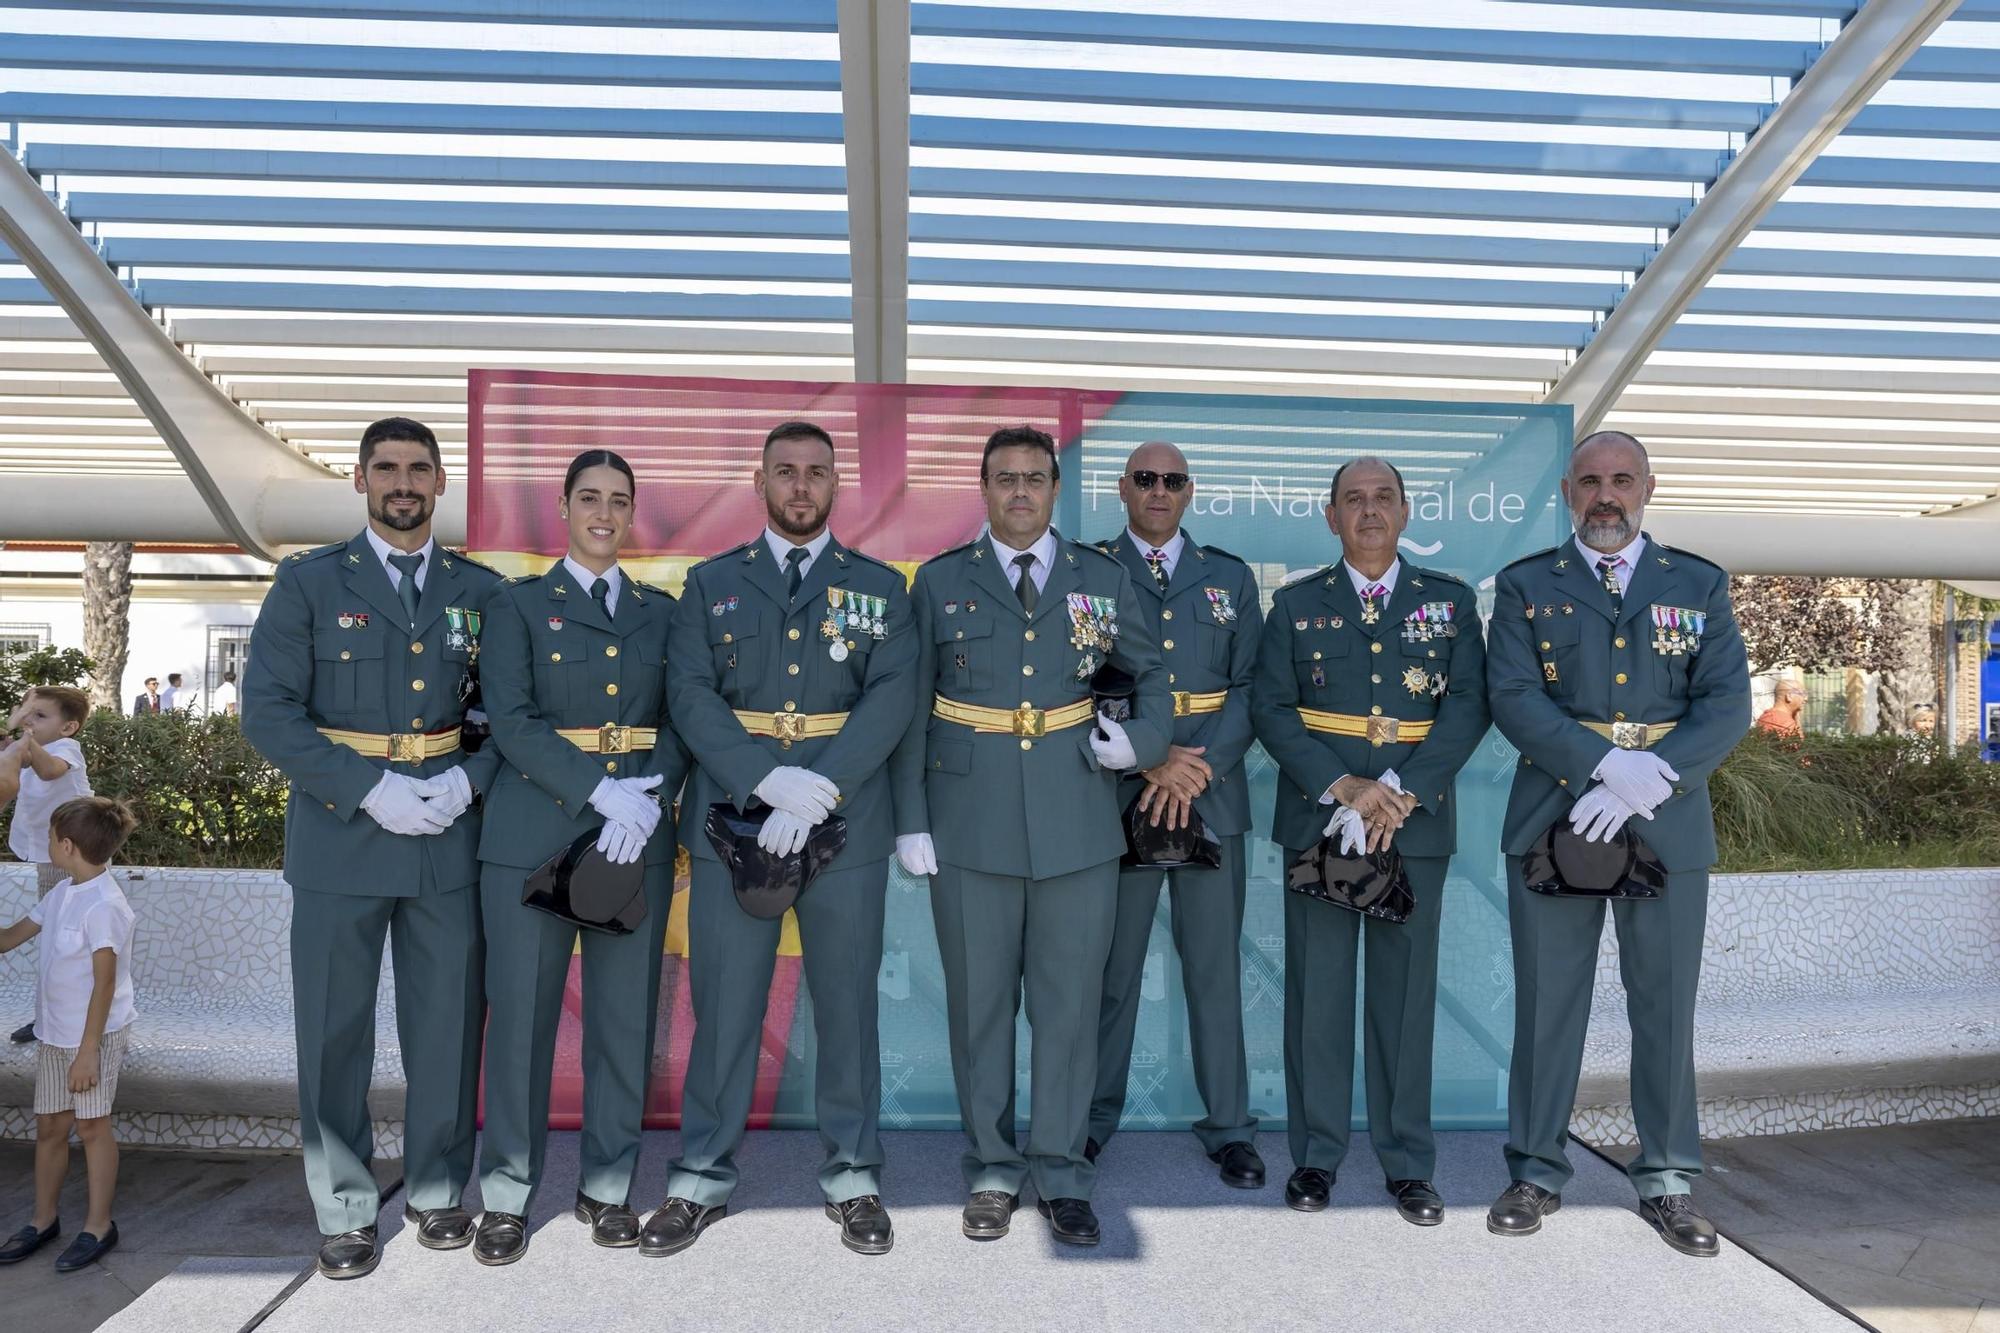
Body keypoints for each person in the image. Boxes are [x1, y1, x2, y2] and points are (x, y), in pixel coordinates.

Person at [890, 424, 1171, 1247]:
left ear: (1055, 489)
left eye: (1035, 478)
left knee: (1068, 1009)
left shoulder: (1102, 577)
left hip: (1078, 820)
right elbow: (912, 704)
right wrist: (911, 816)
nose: (1020, 491)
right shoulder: (940, 582)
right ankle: (989, 1166)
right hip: (968, 825)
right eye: (1005, 478)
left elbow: (1153, 678)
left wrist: (1143, 744)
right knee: (979, 1008)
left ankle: (1061, 1171)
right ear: (983, 489)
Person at [241, 416, 503, 1280]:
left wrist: (469, 780)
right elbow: (269, 713)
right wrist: (370, 789)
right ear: (359, 480)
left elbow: (515, 713)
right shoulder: (309, 584)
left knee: (446, 1028)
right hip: (342, 835)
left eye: (418, 469)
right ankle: (347, 1206)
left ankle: (436, 1192)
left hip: (444, 835)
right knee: (333, 1032)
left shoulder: (483, 591)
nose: (403, 482)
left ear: (440, 482)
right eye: (386, 467)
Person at [652, 420, 916, 1257]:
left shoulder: (880, 587)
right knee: (725, 1003)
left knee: (846, 1006)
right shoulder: (710, 584)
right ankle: (700, 1176)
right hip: (739, 819)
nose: (801, 486)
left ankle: (854, 1175)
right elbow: (688, 694)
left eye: (816, 473)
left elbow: (891, 697)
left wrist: (823, 786)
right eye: (786, 472)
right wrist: (765, 780)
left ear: (837, 485)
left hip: (848, 822)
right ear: (759, 481)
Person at [1485, 430, 1749, 1257]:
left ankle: (1667, 1177)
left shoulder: (1698, 584)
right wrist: (1600, 766)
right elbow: (1513, 696)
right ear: (1568, 490)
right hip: (1555, 815)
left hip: (1667, 821)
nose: (1607, 495)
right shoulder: (1529, 585)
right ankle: (1535, 1168)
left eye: (1622, 480)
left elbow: (1727, 703)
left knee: (1664, 1006)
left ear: (1648, 487)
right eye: (1591, 481)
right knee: (1546, 1005)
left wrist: (1650, 776)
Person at [1250, 457, 1489, 1224]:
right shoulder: (1294, 605)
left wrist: (1402, 792)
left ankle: (1407, 1163)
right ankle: (1315, 1157)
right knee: (1317, 998)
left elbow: (1467, 708)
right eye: (1353, 500)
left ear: (1406, 511)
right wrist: (1345, 787)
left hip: (1411, 826)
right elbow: (1272, 708)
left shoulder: (1448, 604)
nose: (1370, 511)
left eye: (1383, 498)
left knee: (1405, 998)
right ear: (1331, 517)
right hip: (1322, 821)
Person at [471, 449, 689, 1266]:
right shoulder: (517, 605)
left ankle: (607, 1185)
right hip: (536, 826)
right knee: (522, 1019)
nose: (604, 511)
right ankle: (506, 1193)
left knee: (622, 1021)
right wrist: (600, 791)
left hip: (636, 830)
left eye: (619, 500)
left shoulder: (663, 613)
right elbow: (512, 720)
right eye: (589, 497)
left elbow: (685, 710)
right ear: (563, 506)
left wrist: (650, 794)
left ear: (633, 513)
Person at [1086, 441, 1266, 1188]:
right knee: (1110, 968)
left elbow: (1256, 685)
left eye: (1173, 480)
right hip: (1121, 786)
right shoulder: (1089, 570)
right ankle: (1089, 1119)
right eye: (1145, 478)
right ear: (1123, 489)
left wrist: (1201, 767)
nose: (1159, 490)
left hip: (1212, 787)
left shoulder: (1228, 576)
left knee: (1215, 968)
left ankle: (1229, 1127)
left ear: (1191, 492)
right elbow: (1074, 680)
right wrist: (1153, 756)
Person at [0, 795, 140, 1273]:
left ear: (66, 846)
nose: (46, 847)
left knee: (92, 1128)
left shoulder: (105, 906)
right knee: (51, 1128)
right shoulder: (63, 893)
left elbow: (104, 985)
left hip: (91, 1040)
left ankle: (99, 1225)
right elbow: (9, 938)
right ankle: (44, 1220)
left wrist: (88, 1054)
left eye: (48, 840)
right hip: (55, 1036)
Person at [2, 685, 95, 1045]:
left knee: (73, 942)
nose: (30, 721)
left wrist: (23, 739)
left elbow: (50, 771)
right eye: (28, 712)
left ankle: (82, 1020)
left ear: (67, 727)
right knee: (56, 939)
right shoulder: (28, 748)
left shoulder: (65, 749)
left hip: (79, 859)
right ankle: (47, 1018)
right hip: (51, 857)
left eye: (40, 716)